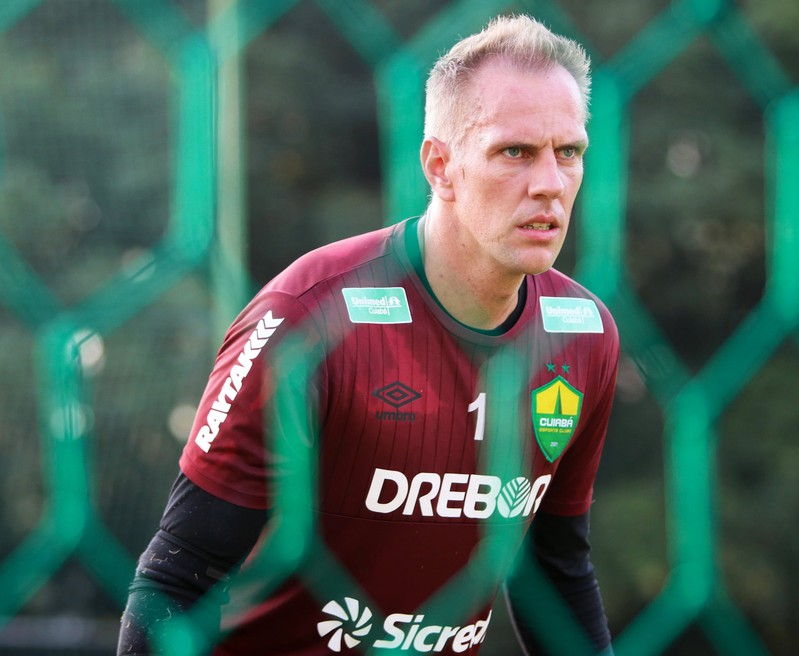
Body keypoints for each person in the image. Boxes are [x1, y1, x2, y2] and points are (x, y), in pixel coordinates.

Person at [118, 14, 618, 656]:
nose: (549, 183)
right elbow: (178, 575)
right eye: (514, 152)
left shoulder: (583, 336)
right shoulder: (310, 318)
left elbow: (554, 571)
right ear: (441, 166)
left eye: (568, 152)